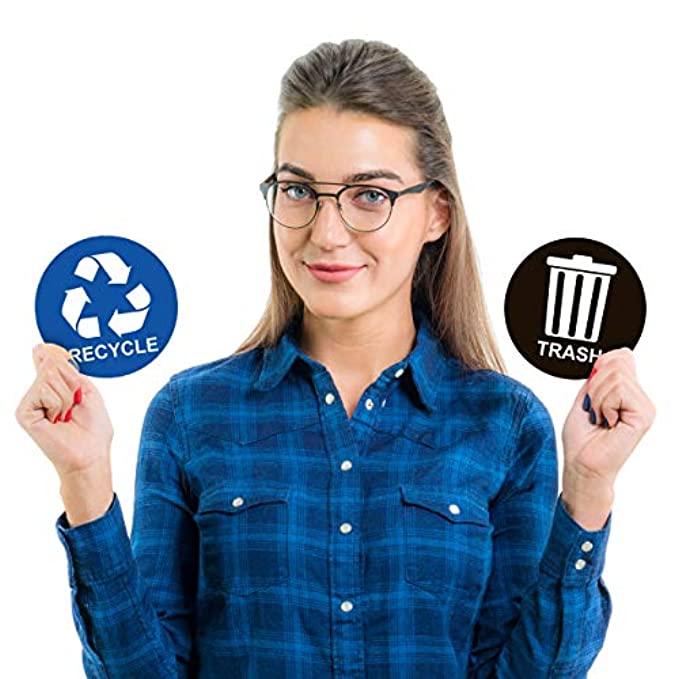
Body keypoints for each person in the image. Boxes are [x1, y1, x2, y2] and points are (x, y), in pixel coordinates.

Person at [16, 38, 655, 678]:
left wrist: (590, 489)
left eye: (369, 195)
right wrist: (84, 478)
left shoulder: (505, 424)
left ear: (436, 212)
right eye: (298, 190)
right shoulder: (192, 415)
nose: (325, 232)